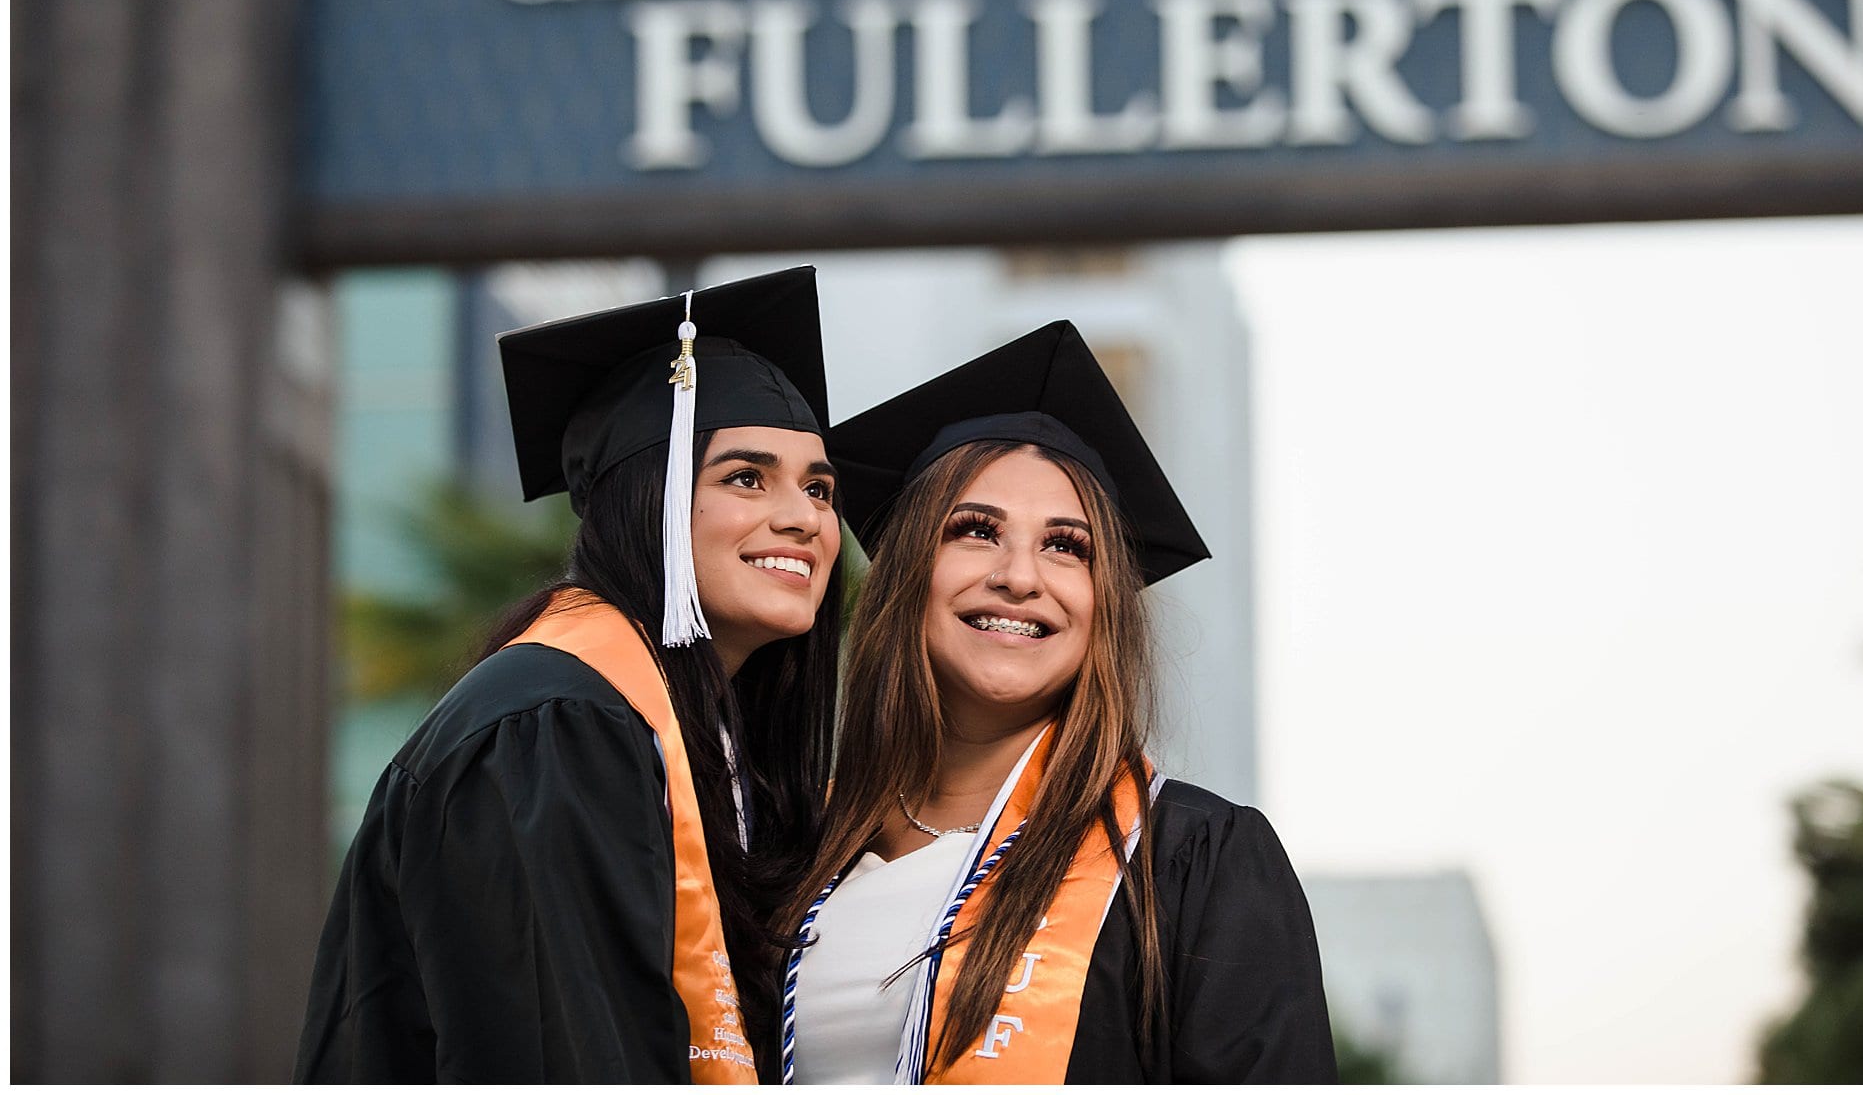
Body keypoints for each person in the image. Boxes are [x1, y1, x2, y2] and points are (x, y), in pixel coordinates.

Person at [296, 266, 844, 1083]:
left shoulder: (713, 751)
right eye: (744, 476)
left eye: (820, 488)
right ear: (645, 499)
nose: (803, 517)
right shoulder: (555, 726)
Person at [781, 321, 1336, 1084]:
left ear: (1103, 603)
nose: (1019, 576)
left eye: (1066, 546)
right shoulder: (797, 849)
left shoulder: (1186, 862)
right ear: (907, 571)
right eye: (975, 531)